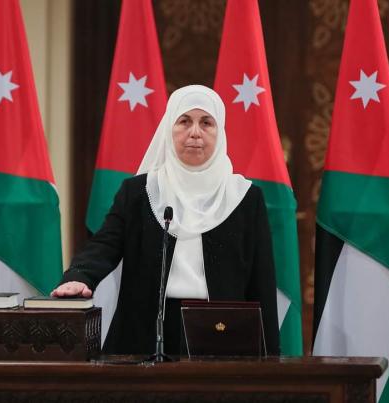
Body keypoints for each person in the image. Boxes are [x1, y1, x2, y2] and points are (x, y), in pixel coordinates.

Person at [52, 85, 279, 355]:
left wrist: (269, 356)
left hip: (221, 332)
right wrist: (80, 276)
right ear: (169, 128)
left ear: (220, 131)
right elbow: (105, 244)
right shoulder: (140, 192)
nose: (195, 132)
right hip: (146, 331)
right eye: (184, 121)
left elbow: (262, 281)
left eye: (206, 123)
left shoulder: (245, 197)